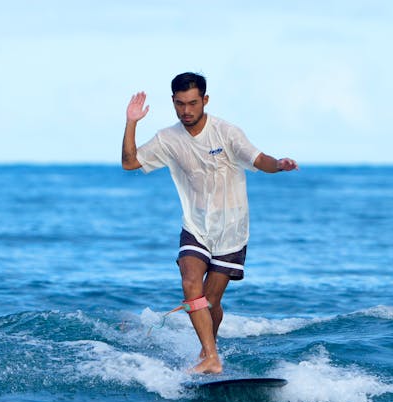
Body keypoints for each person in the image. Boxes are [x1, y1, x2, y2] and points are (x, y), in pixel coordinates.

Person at [121, 72, 297, 374]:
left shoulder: (226, 133)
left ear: (205, 100)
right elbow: (130, 162)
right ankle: (212, 358)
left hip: (232, 230)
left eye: (192, 103)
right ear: (173, 102)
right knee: (191, 285)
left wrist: (278, 165)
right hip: (195, 226)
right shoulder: (168, 139)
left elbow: (258, 159)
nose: (186, 111)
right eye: (179, 104)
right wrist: (132, 121)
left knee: (210, 302)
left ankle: (206, 351)